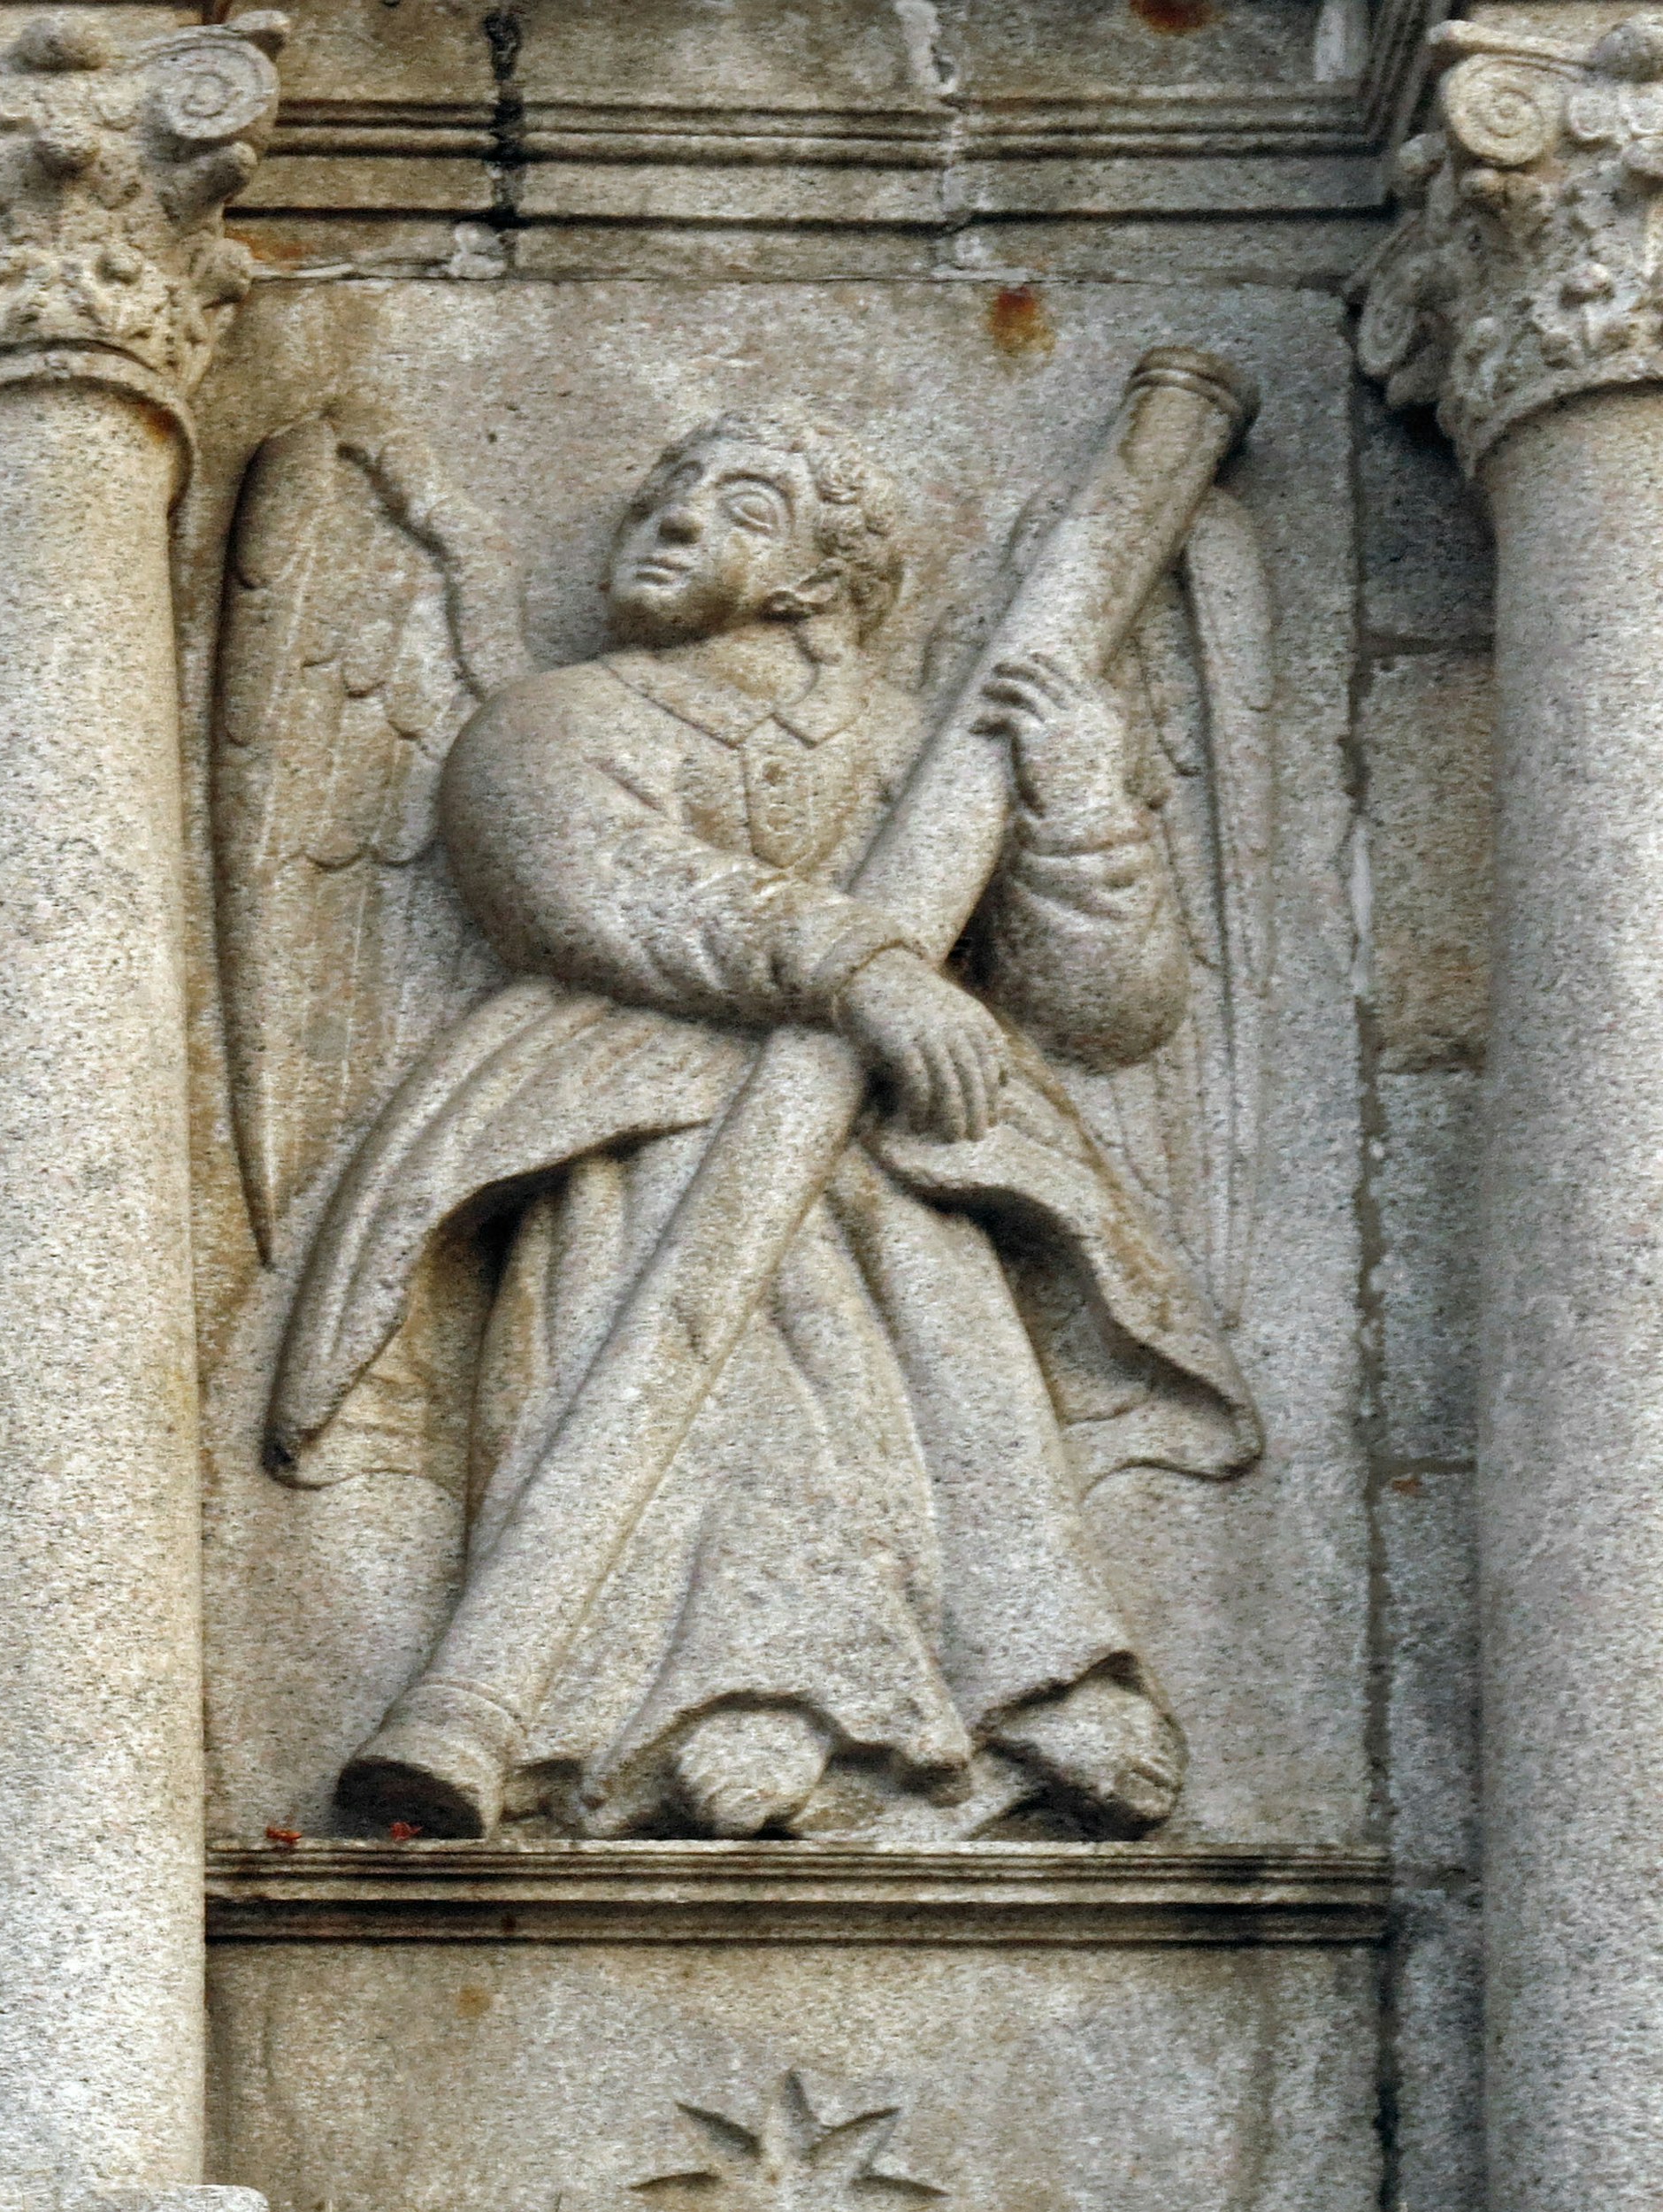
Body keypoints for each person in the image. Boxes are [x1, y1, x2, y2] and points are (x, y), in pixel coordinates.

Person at [268, 415, 1258, 1841]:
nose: (670, 517)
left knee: (948, 1356)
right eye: (660, 493)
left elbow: (1105, 1014)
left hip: (898, 1140)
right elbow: (601, 879)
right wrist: (859, 967)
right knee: (711, 1337)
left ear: (819, 576)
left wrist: (1080, 806)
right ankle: (729, 1693)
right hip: (633, 1100)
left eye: (734, 503)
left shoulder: (929, 752)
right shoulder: (565, 721)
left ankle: (1034, 1668)